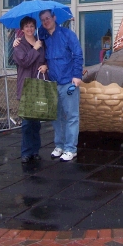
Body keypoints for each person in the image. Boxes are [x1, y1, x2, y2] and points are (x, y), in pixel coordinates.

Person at [38, 9, 83, 162]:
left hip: (68, 82)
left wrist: (77, 76)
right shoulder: (43, 36)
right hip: (53, 83)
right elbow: (31, 41)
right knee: (56, 117)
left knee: (71, 117)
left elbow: (77, 54)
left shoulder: (67, 34)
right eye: (43, 19)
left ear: (54, 18)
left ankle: (71, 148)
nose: (46, 21)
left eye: (48, 18)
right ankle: (60, 145)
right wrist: (16, 41)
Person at [13, 16, 47, 163]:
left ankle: (35, 150)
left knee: (36, 123)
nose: (29, 28)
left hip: (38, 86)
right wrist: (34, 49)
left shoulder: (41, 42)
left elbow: (46, 59)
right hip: (26, 87)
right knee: (27, 122)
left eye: (32, 26)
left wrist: (46, 66)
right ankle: (26, 152)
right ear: (22, 29)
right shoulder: (18, 45)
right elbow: (24, 62)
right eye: (26, 26)